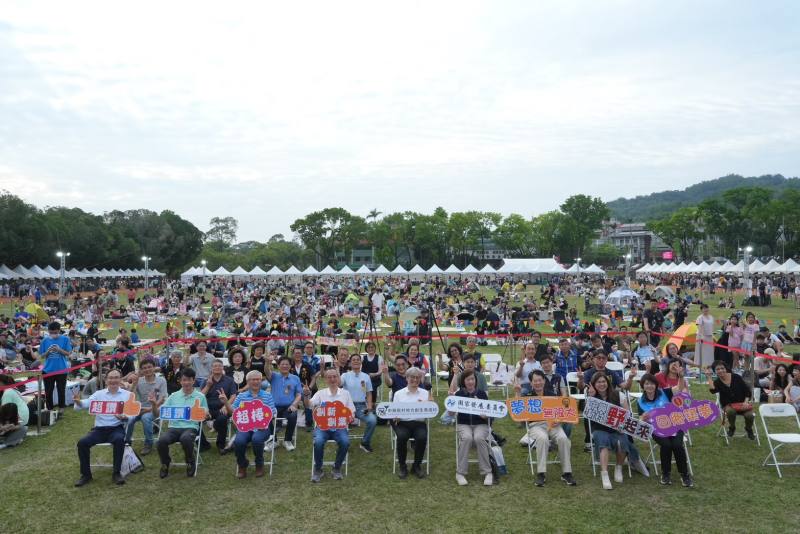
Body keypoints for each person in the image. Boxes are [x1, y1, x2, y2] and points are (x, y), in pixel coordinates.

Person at [73, 369, 131, 486]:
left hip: (116, 427)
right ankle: (86, 475)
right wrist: (78, 401)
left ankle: (116, 473)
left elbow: (131, 414)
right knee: (82, 443)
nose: (113, 380)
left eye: (116, 377)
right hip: (99, 429)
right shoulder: (99, 394)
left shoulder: (127, 395)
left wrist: (124, 417)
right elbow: (84, 404)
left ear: (120, 380)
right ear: (106, 380)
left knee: (119, 440)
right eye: (110, 378)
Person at [637, 373, 693, 487]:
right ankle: (666, 474)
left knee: (677, 445)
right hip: (656, 429)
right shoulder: (640, 401)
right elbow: (641, 420)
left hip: (675, 424)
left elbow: (679, 389)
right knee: (667, 445)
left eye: (652, 383)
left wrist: (681, 377)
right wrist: (643, 418)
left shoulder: (664, 393)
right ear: (643, 386)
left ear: (656, 385)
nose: (649, 386)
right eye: (646, 384)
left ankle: (684, 474)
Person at [217, 370, 276, 478]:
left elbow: (272, 413)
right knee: (239, 441)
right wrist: (226, 402)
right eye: (253, 379)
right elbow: (233, 412)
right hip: (245, 428)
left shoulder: (267, 396)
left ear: (261, 381)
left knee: (257, 439)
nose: (255, 381)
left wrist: (263, 417)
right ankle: (242, 464)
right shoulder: (241, 396)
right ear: (248, 381)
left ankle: (259, 463)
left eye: (258, 379)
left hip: (262, 428)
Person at [152, 368, 209, 478]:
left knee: (186, 439)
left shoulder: (200, 396)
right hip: (174, 428)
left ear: (193, 381)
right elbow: (159, 413)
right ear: (180, 381)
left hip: (191, 427)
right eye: (184, 380)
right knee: (161, 441)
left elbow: (205, 412)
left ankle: (190, 462)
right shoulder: (173, 396)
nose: (186, 382)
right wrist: (154, 404)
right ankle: (165, 463)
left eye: (189, 380)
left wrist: (206, 414)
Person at [525, 370, 576, 487]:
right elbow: (520, 414)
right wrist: (517, 393)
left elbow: (562, 412)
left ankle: (567, 473)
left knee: (563, 439)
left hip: (553, 424)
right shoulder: (527, 397)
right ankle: (541, 473)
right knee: (542, 439)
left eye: (540, 380)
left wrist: (559, 419)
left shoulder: (552, 395)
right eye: (535, 381)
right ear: (531, 383)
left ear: (544, 381)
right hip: (536, 425)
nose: (537, 383)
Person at [309, 368, 355, 482]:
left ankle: (337, 467)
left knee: (345, 442)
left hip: (340, 427)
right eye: (329, 377)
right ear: (325, 379)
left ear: (338, 378)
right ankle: (318, 468)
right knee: (318, 442)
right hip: (322, 427)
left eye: (335, 376)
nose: (332, 379)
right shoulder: (320, 393)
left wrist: (351, 416)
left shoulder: (345, 394)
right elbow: (309, 404)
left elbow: (351, 410)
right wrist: (306, 395)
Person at [586, 373, 631, 490]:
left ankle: (618, 467)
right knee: (603, 441)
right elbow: (588, 416)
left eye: (603, 381)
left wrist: (622, 425)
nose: (601, 384)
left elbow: (627, 414)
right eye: (598, 382)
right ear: (594, 384)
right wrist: (591, 398)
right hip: (599, 429)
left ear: (608, 382)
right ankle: (604, 473)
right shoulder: (592, 396)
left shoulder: (618, 394)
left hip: (617, 429)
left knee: (622, 441)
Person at [454, 369, 493, 486]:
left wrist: (485, 416)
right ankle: (460, 473)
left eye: (472, 379)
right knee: (466, 438)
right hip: (463, 424)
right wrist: (450, 407)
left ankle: (488, 472)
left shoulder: (482, 394)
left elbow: (490, 417)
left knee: (479, 438)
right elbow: (451, 414)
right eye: (467, 379)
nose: (470, 382)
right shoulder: (459, 394)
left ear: (475, 381)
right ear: (463, 381)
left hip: (480, 424)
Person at [392, 367, 430, 479]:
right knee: (402, 437)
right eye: (412, 377)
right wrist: (396, 417)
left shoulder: (425, 393)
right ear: (407, 378)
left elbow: (431, 409)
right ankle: (403, 466)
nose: (415, 379)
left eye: (417, 377)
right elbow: (394, 411)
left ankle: (416, 466)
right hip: (403, 423)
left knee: (422, 437)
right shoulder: (399, 394)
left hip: (419, 423)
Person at [124, 358, 167, 455]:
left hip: (157, 407)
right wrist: (134, 384)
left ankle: (148, 443)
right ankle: (127, 442)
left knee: (145, 418)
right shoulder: (139, 380)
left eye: (149, 367)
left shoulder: (161, 380)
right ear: (141, 370)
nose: (147, 370)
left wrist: (151, 408)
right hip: (142, 407)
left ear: (154, 367)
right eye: (144, 368)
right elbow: (131, 396)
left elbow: (162, 398)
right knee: (129, 418)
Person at [708, 360, 755, 440]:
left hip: (742, 403)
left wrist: (745, 402)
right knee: (730, 411)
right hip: (728, 405)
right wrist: (709, 377)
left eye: (722, 368)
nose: (720, 370)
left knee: (749, 415)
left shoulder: (736, 377)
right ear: (715, 371)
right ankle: (732, 427)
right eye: (717, 369)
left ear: (726, 368)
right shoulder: (717, 382)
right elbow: (713, 390)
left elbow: (747, 391)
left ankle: (748, 429)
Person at [340, 354, 377, 453]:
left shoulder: (366, 376)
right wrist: (336, 368)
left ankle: (365, 442)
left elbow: (369, 393)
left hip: (361, 406)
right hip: (347, 406)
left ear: (361, 362)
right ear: (350, 363)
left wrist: (369, 406)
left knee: (372, 420)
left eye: (358, 360)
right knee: (340, 422)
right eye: (353, 360)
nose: (356, 361)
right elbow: (339, 383)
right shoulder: (345, 375)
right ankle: (343, 443)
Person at [264, 355, 302, 451]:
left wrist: (294, 404)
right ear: (278, 365)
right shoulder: (274, 376)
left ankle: (287, 440)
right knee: (266, 415)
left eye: (287, 364)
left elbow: (298, 394)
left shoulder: (295, 378)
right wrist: (267, 362)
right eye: (282, 364)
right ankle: (274, 441)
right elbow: (266, 371)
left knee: (293, 416)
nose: (285, 366)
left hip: (289, 406)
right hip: (274, 406)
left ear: (290, 366)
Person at [200, 359, 238, 453]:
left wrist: (226, 405)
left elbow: (233, 395)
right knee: (195, 419)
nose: (217, 368)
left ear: (222, 368)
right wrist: (208, 386)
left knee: (222, 419)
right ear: (211, 368)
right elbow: (200, 396)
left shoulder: (229, 380)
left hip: (223, 408)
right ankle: (204, 444)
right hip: (208, 408)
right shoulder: (206, 381)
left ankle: (220, 445)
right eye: (215, 366)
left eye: (219, 366)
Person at [39, 321, 72, 413]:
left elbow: (68, 353)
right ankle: (50, 408)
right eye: (51, 333)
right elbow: (42, 356)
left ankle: (61, 408)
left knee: (61, 390)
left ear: (59, 331)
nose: (53, 334)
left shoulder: (65, 339)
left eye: (55, 332)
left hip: (61, 369)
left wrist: (59, 349)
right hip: (48, 369)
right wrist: (48, 352)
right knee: (48, 390)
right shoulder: (45, 340)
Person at [289, 346, 315, 430]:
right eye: (295, 353)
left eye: (299, 353)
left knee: (307, 399)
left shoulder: (307, 365)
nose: (297, 355)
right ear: (293, 354)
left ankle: (309, 422)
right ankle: (286, 421)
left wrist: (310, 388)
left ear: (302, 354)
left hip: (304, 390)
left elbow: (313, 377)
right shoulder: (289, 365)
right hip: (292, 390)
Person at [695, 304, 715, 369]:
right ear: (701, 310)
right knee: (702, 351)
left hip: (709, 336)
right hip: (702, 336)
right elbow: (699, 327)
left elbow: (712, 326)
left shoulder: (711, 317)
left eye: (706, 308)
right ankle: (700, 365)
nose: (705, 309)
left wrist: (712, 333)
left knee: (709, 352)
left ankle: (709, 365)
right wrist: (701, 336)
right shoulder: (700, 317)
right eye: (704, 308)